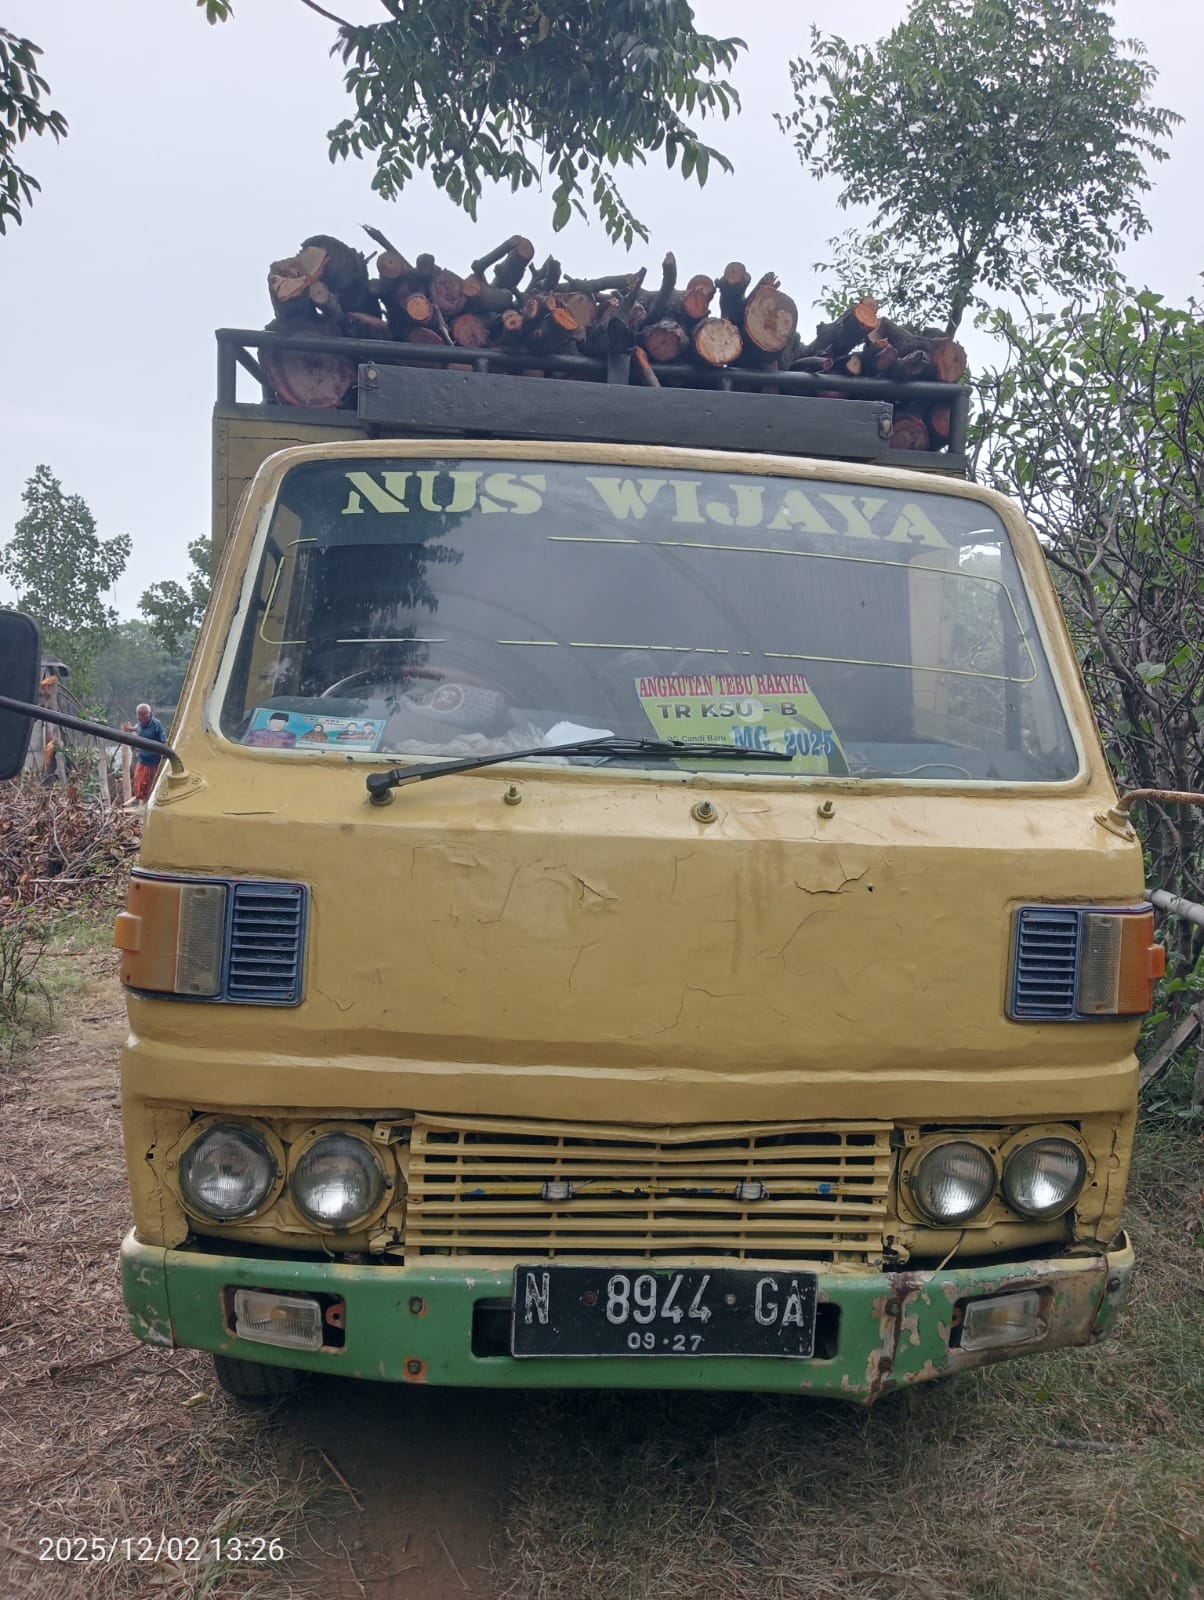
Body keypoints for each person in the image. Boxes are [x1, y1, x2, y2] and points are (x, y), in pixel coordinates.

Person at [132, 702, 167, 803]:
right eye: (140, 716)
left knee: (151, 787)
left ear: (150, 714)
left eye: (145, 715)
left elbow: (163, 742)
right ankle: (142, 803)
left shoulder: (156, 725)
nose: (143, 718)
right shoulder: (139, 725)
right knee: (139, 784)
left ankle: (150, 804)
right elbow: (138, 730)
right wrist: (131, 730)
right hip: (143, 760)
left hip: (153, 762)